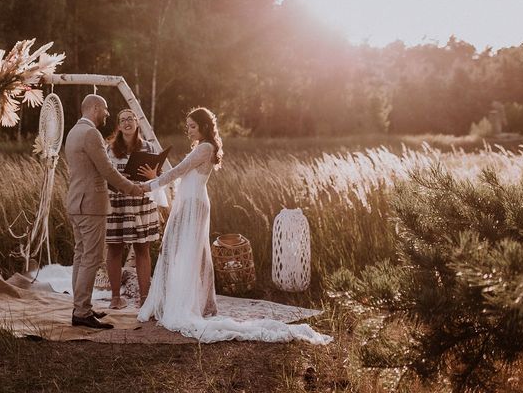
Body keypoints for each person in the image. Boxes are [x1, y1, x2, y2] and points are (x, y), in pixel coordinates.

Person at [137, 108, 331, 344]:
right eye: (187, 126)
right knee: (181, 251)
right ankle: (185, 299)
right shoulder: (201, 147)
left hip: (194, 205)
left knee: (185, 252)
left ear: (204, 127)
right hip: (190, 202)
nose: (188, 130)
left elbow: (178, 171)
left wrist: (150, 184)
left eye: (192, 126)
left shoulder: (205, 148)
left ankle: (186, 303)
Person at [64, 94, 145, 329]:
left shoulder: (73, 132)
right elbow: (107, 170)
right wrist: (132, 188)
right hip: (90, 205)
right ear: (95, 107)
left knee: (81, 256)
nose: (107, 114)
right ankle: (81, 311)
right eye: (106, 109)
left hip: (77, 203)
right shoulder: (91, 133)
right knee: (91, 258)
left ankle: (81, 307)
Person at [104, 108, 159, 309]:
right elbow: (102, 178)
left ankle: (145, 299)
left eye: (131, 118)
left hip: (141, 203)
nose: (127, 122)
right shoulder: (109, 149)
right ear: (118, 126)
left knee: (142, 248)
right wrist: (118, 181)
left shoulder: (149, 148)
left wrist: (153, 176)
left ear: (137, 122)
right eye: (123, 120)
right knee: (114, 248)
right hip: (116, 204)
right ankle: (115, 298)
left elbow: (158, 179)